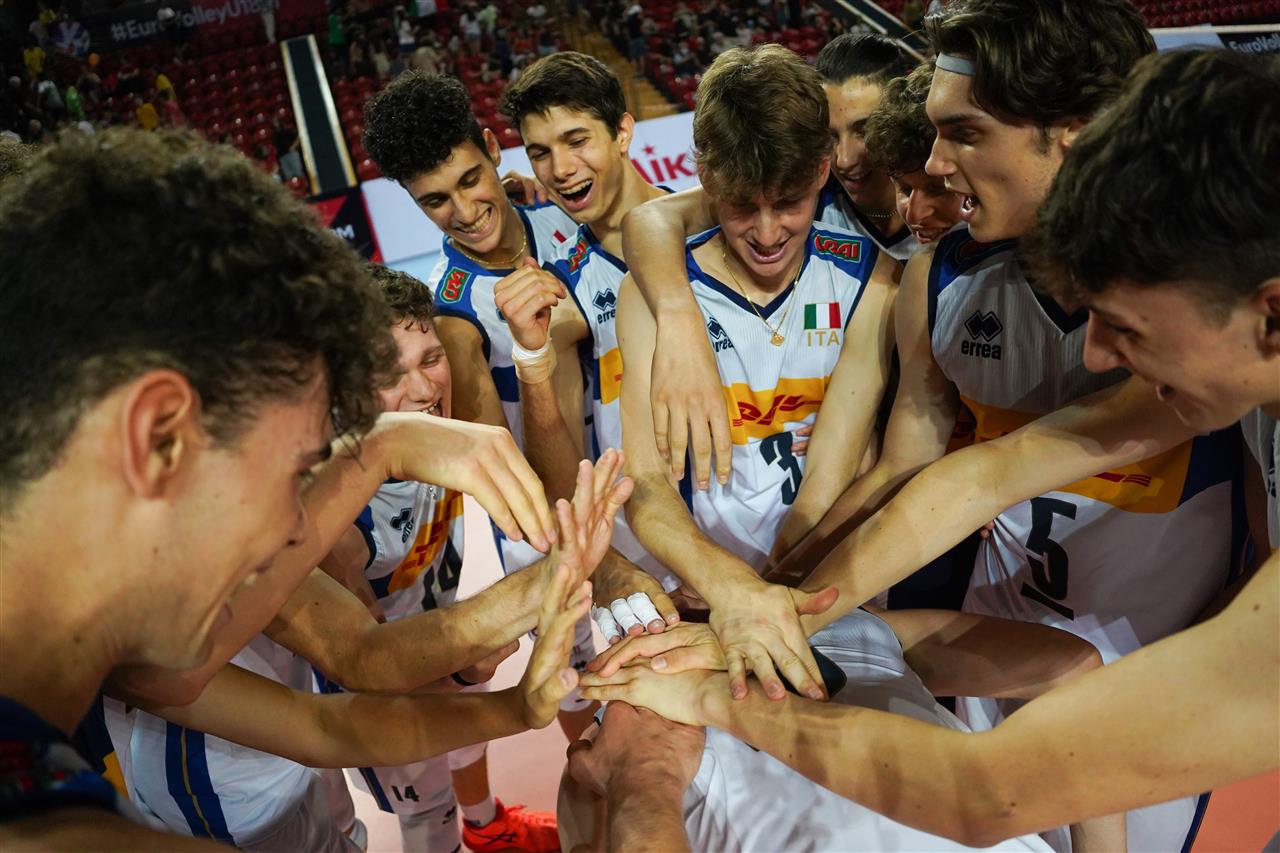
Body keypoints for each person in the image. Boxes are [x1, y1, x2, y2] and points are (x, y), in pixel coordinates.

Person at [580, 45, 1279, 850]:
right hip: (839, 607)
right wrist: (774, 608)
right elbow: (985, 474)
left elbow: (983, 793)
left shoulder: (873, 275)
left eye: (1125, 327)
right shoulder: (1217, 364)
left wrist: (709, 695)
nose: (1095, 356)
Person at [0, 127, 554, 846]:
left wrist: (519, 707)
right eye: (295, 473)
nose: (302, 529)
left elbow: (271, 710)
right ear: (157, 434)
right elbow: (349, 664)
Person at [362, 70, 632, 851]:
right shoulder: (452, 309)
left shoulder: (561, 209)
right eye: (434, 201)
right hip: (555, 517)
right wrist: (580, 551)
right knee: (585, 684)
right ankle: (597, 818)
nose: (464, 209)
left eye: (470, 180)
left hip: (639, 477)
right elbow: (501, 464)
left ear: (492, 149)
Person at [616, 44, 901, 703]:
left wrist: (770, 592)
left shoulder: (872, 279)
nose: (768, 232)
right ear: (706, 179)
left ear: (823, 169)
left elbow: (837, 470)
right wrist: (724, 585)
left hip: (827, 589)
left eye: (790, 202)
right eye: (743, 205)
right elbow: (647, 487)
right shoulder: (653, 295)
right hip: (698, 598)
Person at [497, 52, 688, 622]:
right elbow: (558, 454)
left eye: (577, 140)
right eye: (540, 152)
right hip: (650, 561)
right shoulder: (561, 289)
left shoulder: (710, 228)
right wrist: (531, 353)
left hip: (762, 529)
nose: (560, 168)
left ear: (623, 132)